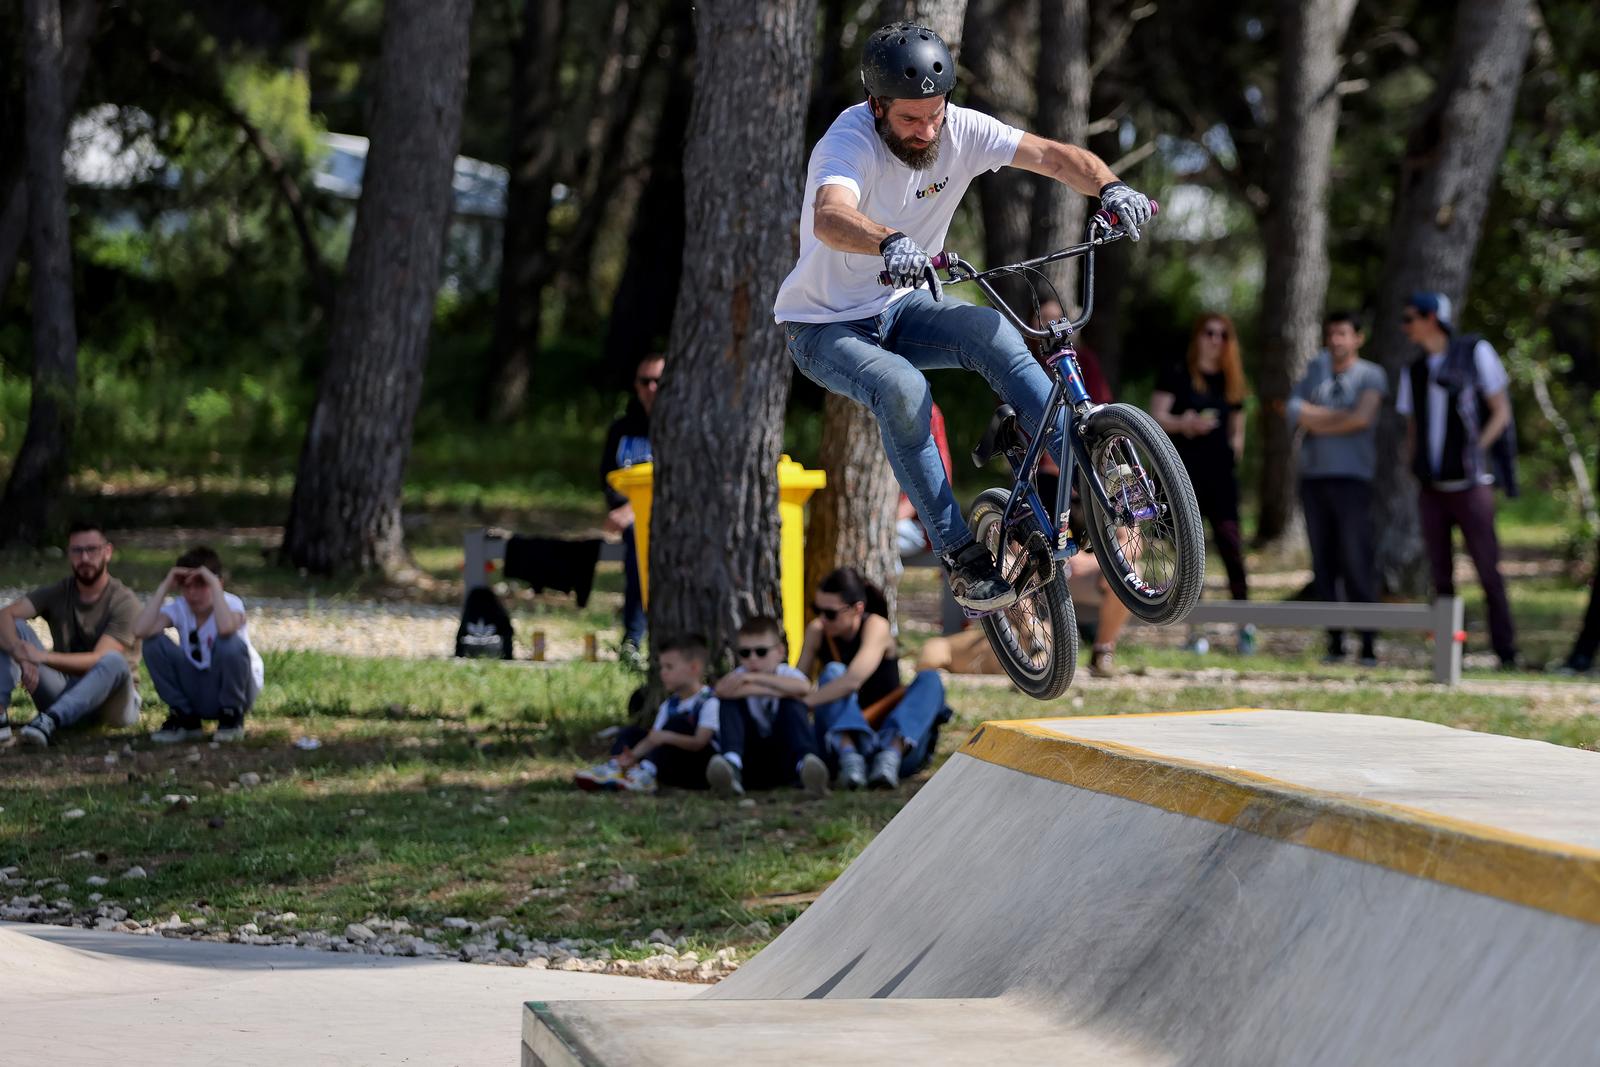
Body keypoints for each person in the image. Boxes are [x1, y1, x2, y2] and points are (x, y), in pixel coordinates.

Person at [774, 21, 1154, 614]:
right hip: (823, 326)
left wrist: (1111, 187)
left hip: (902, 305)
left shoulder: (962, 129)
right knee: (902, 387)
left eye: (935, 114)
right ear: (876, 106)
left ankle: (1093, 473)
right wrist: (888, 242)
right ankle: (959, 552)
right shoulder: (846, 141)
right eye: (909, 120)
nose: (927, 131)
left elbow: (1054, 157)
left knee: (996, 333)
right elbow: (829, 215)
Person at [1395, 291, 1518, 668]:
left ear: (1432, 318)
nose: (1405, 326)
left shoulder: (1475, 351)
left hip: (1472, 484)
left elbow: (1501, 411)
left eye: (1410, 318)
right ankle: (1449, 655)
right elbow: (1413, 427)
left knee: (1487, 569)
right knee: (1440, 575)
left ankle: (1506, 652)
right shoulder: (1413, 369)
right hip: (1433, 488)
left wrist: (1476, 449)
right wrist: (1412, 465)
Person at [1289, 311, 1389, 666]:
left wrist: (1317, 420)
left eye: (1343, 334)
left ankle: (1368, 643)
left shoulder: (1371, 374)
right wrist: (1339, 418)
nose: (1336, 340)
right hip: (1314, 480)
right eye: (1331, 334)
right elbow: (1293, 409)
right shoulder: (1316, 368)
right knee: (1324, 564)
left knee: (1356, 559)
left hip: (1353, 482)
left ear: (1357, 338)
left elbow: (1362, 418)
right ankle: (1334, 642)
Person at [1151, 312, 1253, 655]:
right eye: (1210, 333)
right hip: (1185, 477)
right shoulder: (1177, 372)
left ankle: (1245, 627)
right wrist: (1185, 423)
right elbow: (1156, 417)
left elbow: (1238, 428)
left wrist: (1232, 450)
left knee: (1231, 548)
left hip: (1221, 478)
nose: (1215, 340)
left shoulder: (1231, 379)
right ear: (1198, 336)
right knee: (1192, 556)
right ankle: (1195, 632)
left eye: (1223, 335)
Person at [796, 567, 947, 789]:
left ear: (857, 608)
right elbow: (798, 682)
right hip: (840, 750)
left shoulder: (876, 625)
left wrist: (806, 702)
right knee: (832, 672)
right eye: (816, 610)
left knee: (930, 680)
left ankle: (890, 754)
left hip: (892, 748)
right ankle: (850, 756)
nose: (822, 619)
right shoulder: (817, 632)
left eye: (830, 613)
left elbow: (852, 681)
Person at [0, 520, 142, 748]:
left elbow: (98, 660)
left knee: (113, 660)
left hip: (113, 704)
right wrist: (20, 652)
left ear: (107, 552)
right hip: (65, 691)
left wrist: (41, 657)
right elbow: (5, 615)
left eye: (91, 550)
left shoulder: (125, 602)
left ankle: (50, 721)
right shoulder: (60, 591)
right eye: (77, 551)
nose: (84, 558)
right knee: (13, 627)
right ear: (69, 554)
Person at [132, 546, 265, 743]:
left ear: (217, 583)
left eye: (201, 585)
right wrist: (165, 586)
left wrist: (213, 582)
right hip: (200, 687)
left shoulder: (231, 603)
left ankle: (232, 717)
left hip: (235, 690)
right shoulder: (179, 607)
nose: (193, 593)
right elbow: (140, 631)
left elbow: (226, 628)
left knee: (228, 642)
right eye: (186, 586)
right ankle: (186, 719)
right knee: (153, 643)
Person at [574, 634, 718, 794]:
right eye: (662, 667)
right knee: (631, 733)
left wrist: (667, 736)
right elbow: (654, 738)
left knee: (677, 725)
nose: (663, 673)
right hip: (668, 758)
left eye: (669, 667)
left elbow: (700, 742)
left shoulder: (709, 702)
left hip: (697, 765)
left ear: (694, 668)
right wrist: (633, 754)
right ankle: (620, 766)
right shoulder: (669, 704)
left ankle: (646, 772)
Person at [707, 616, 830, 797]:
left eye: (761, 652)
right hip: (752, 758)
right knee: (730, 703)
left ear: (780, 652)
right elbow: (721, 691)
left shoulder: (781, 673)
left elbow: (804, 687)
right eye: (745, 653)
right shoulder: (739, 675)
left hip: (785, 755)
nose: (753, 659)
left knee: (792, 703)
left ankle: (806, 766)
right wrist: (776, 689)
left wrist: (753, 680)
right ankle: (731, 766)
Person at [600, 351, 664, 662]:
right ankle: (633, 639)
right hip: (628, 520)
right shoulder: (621, 429)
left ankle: (639, 636)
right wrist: (621, 509)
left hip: (665, 518)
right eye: (645, 381)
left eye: (659, 381)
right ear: (636, 386)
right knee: (636, 541)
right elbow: (607, 478)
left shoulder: (682, 429)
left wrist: (635, 511)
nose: (652, 388)